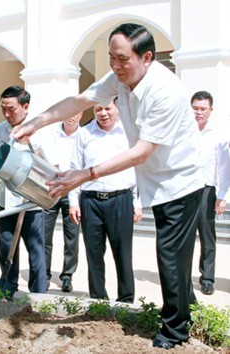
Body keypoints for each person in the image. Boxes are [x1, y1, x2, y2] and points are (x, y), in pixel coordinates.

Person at [12, 23, 204, 349]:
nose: (115, 66)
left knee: (169, 255)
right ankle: (188, 309)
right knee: (176, 255)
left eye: (122, 59)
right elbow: (79, 101)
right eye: (111, 58)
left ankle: (174, 332)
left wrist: (85, 174)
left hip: (180, 180)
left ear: (146, 57)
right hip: (155, 178)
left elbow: (142, 151)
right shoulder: (119, 78)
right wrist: (35, 122)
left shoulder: (165, 91)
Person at [69, 100, 142, 303]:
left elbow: (138, 168)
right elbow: (76, 168)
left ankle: (126, 299)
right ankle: (98, 299)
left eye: (108, 108)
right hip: (90, 202)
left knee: (123, 253)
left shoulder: (128, 133)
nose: (103, 113)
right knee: (93, 253)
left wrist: (138, 202)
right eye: (98, 109)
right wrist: (73, 201)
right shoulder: (84, 133)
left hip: (121, 199)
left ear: (117, 108)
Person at [0, 86, 47, 293]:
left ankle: (38, 295)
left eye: (11, 110)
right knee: (7, 248)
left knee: (36, 250)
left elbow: (51, 167)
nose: (7, 114)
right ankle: (8, 289)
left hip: (32, 203)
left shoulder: (40, 131)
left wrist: (31, 145)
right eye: (3, 109)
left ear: (25, 107)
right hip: (6, 202)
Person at [191, 91, 229, 295]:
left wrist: (222, 196)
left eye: (202, 109)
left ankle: (207, 278)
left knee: (207, 235)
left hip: (207, 190)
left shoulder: (218, 135)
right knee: (184, 236)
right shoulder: (184, 132)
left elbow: (224, 167)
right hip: (185, 189)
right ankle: (182, 277)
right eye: (195, 108)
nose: (199, 112)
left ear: (210, 110)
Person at [40, 112, 82, 292]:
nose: (72, 116)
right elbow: (43, 153)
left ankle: (67, 276)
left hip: (74, 191)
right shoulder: (50, 134)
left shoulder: (84, 135)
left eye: (77, 112)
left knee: (72, 237)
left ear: (81, 114)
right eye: (71, 112)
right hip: (52, 189)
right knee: (44, 235)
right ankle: (45, 275)